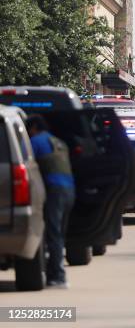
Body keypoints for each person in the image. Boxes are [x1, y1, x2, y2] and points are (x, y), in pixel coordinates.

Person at [26, 115, 75, 289]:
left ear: (33, 128)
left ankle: (58, 277)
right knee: (59, 235)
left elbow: (26, 165)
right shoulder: (58, 142)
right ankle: (55, 274)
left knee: (53, 235)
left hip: (54, 191)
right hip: (69, 190)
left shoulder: (35, 142)